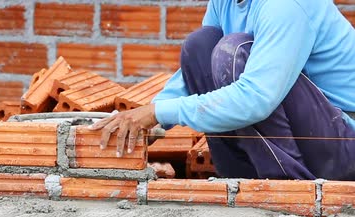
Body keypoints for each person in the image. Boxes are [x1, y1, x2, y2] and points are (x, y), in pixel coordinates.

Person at [90, 0, 355, 180]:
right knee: (201, 44)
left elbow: (257, 97)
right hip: (312, 131)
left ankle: (292, 188)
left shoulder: (285, 6)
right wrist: (154, 121)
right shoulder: (226, 2)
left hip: (342, 144)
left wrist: (159, 112)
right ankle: (240, 180)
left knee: (235, 51)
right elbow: (198, 67)